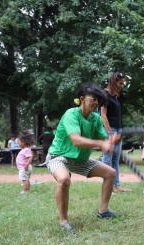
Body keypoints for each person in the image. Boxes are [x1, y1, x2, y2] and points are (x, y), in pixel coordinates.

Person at [46, 83, 117, 232]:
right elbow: (76, 140)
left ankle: (103, 212)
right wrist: (100, 143)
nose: (96, 102)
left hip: (80, 159)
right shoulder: (71, 114)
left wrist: (109, 142)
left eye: (99, 100)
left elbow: (103, 140)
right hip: (58, 156)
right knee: (64, 179)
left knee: (110, 173)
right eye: (94, 99)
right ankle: (64, 221)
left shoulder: (96, 118)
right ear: (82, 99)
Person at [100, 72, 131, 193]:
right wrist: (109, 132)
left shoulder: (116, 96)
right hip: (110, 130)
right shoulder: (105, 95)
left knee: (115, 159)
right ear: (113, 82)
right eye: (120, 83)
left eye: (123, 83)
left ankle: (116, 185)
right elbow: (102, 115)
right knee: (108, 158)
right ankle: (108, 185)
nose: (122, 86)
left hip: (118, 129)